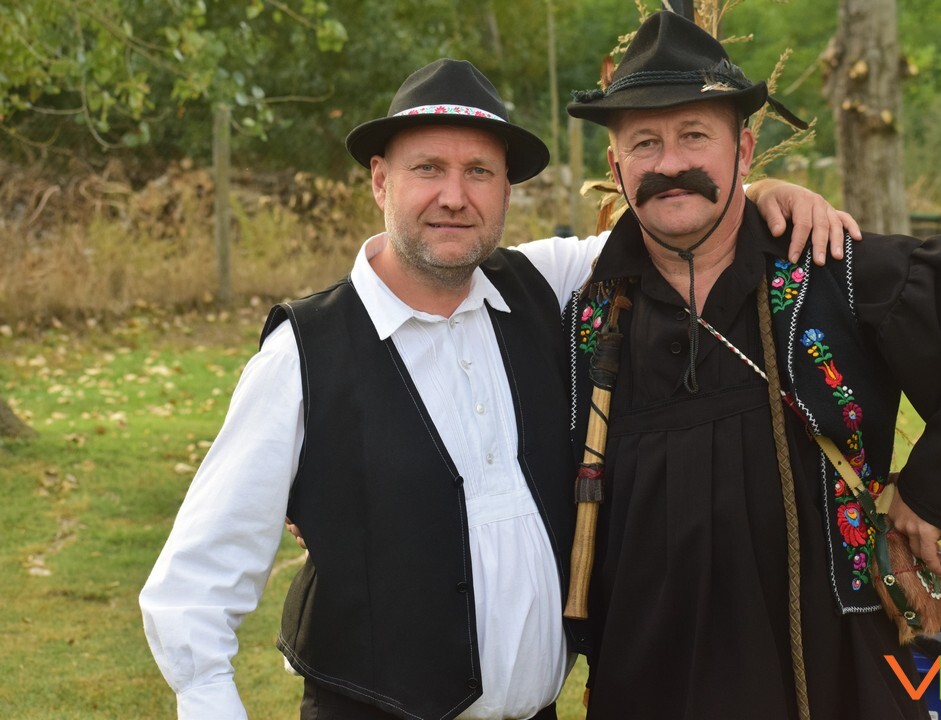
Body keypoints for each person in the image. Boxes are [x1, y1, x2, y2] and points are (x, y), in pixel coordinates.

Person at [139, 57, 857, 720]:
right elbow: (195, 586)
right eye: (428, 168)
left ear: (505, 189)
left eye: (479, 172)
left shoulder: (545, 286)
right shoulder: (305, 352)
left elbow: (671, 220)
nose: (455, 197)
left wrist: (761, 191)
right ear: (381, 181)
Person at [562, 12, 941, 720]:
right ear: (616, 165)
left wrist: (933, 489)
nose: (670, 162)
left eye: (695, 135)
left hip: (832, 675)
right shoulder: (582, 313)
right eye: (644, 142)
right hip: (648, 681)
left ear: (745, 151)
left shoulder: (836, 272)